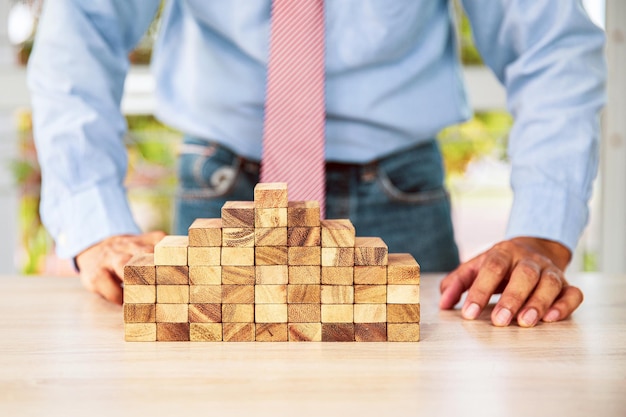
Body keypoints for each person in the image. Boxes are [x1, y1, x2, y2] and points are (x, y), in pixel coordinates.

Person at [27, 1, 605, 328]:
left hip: (398, 197)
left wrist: (541, 232)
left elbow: (550, 43)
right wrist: (94, 221)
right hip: (220, 188)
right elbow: (79, 27)